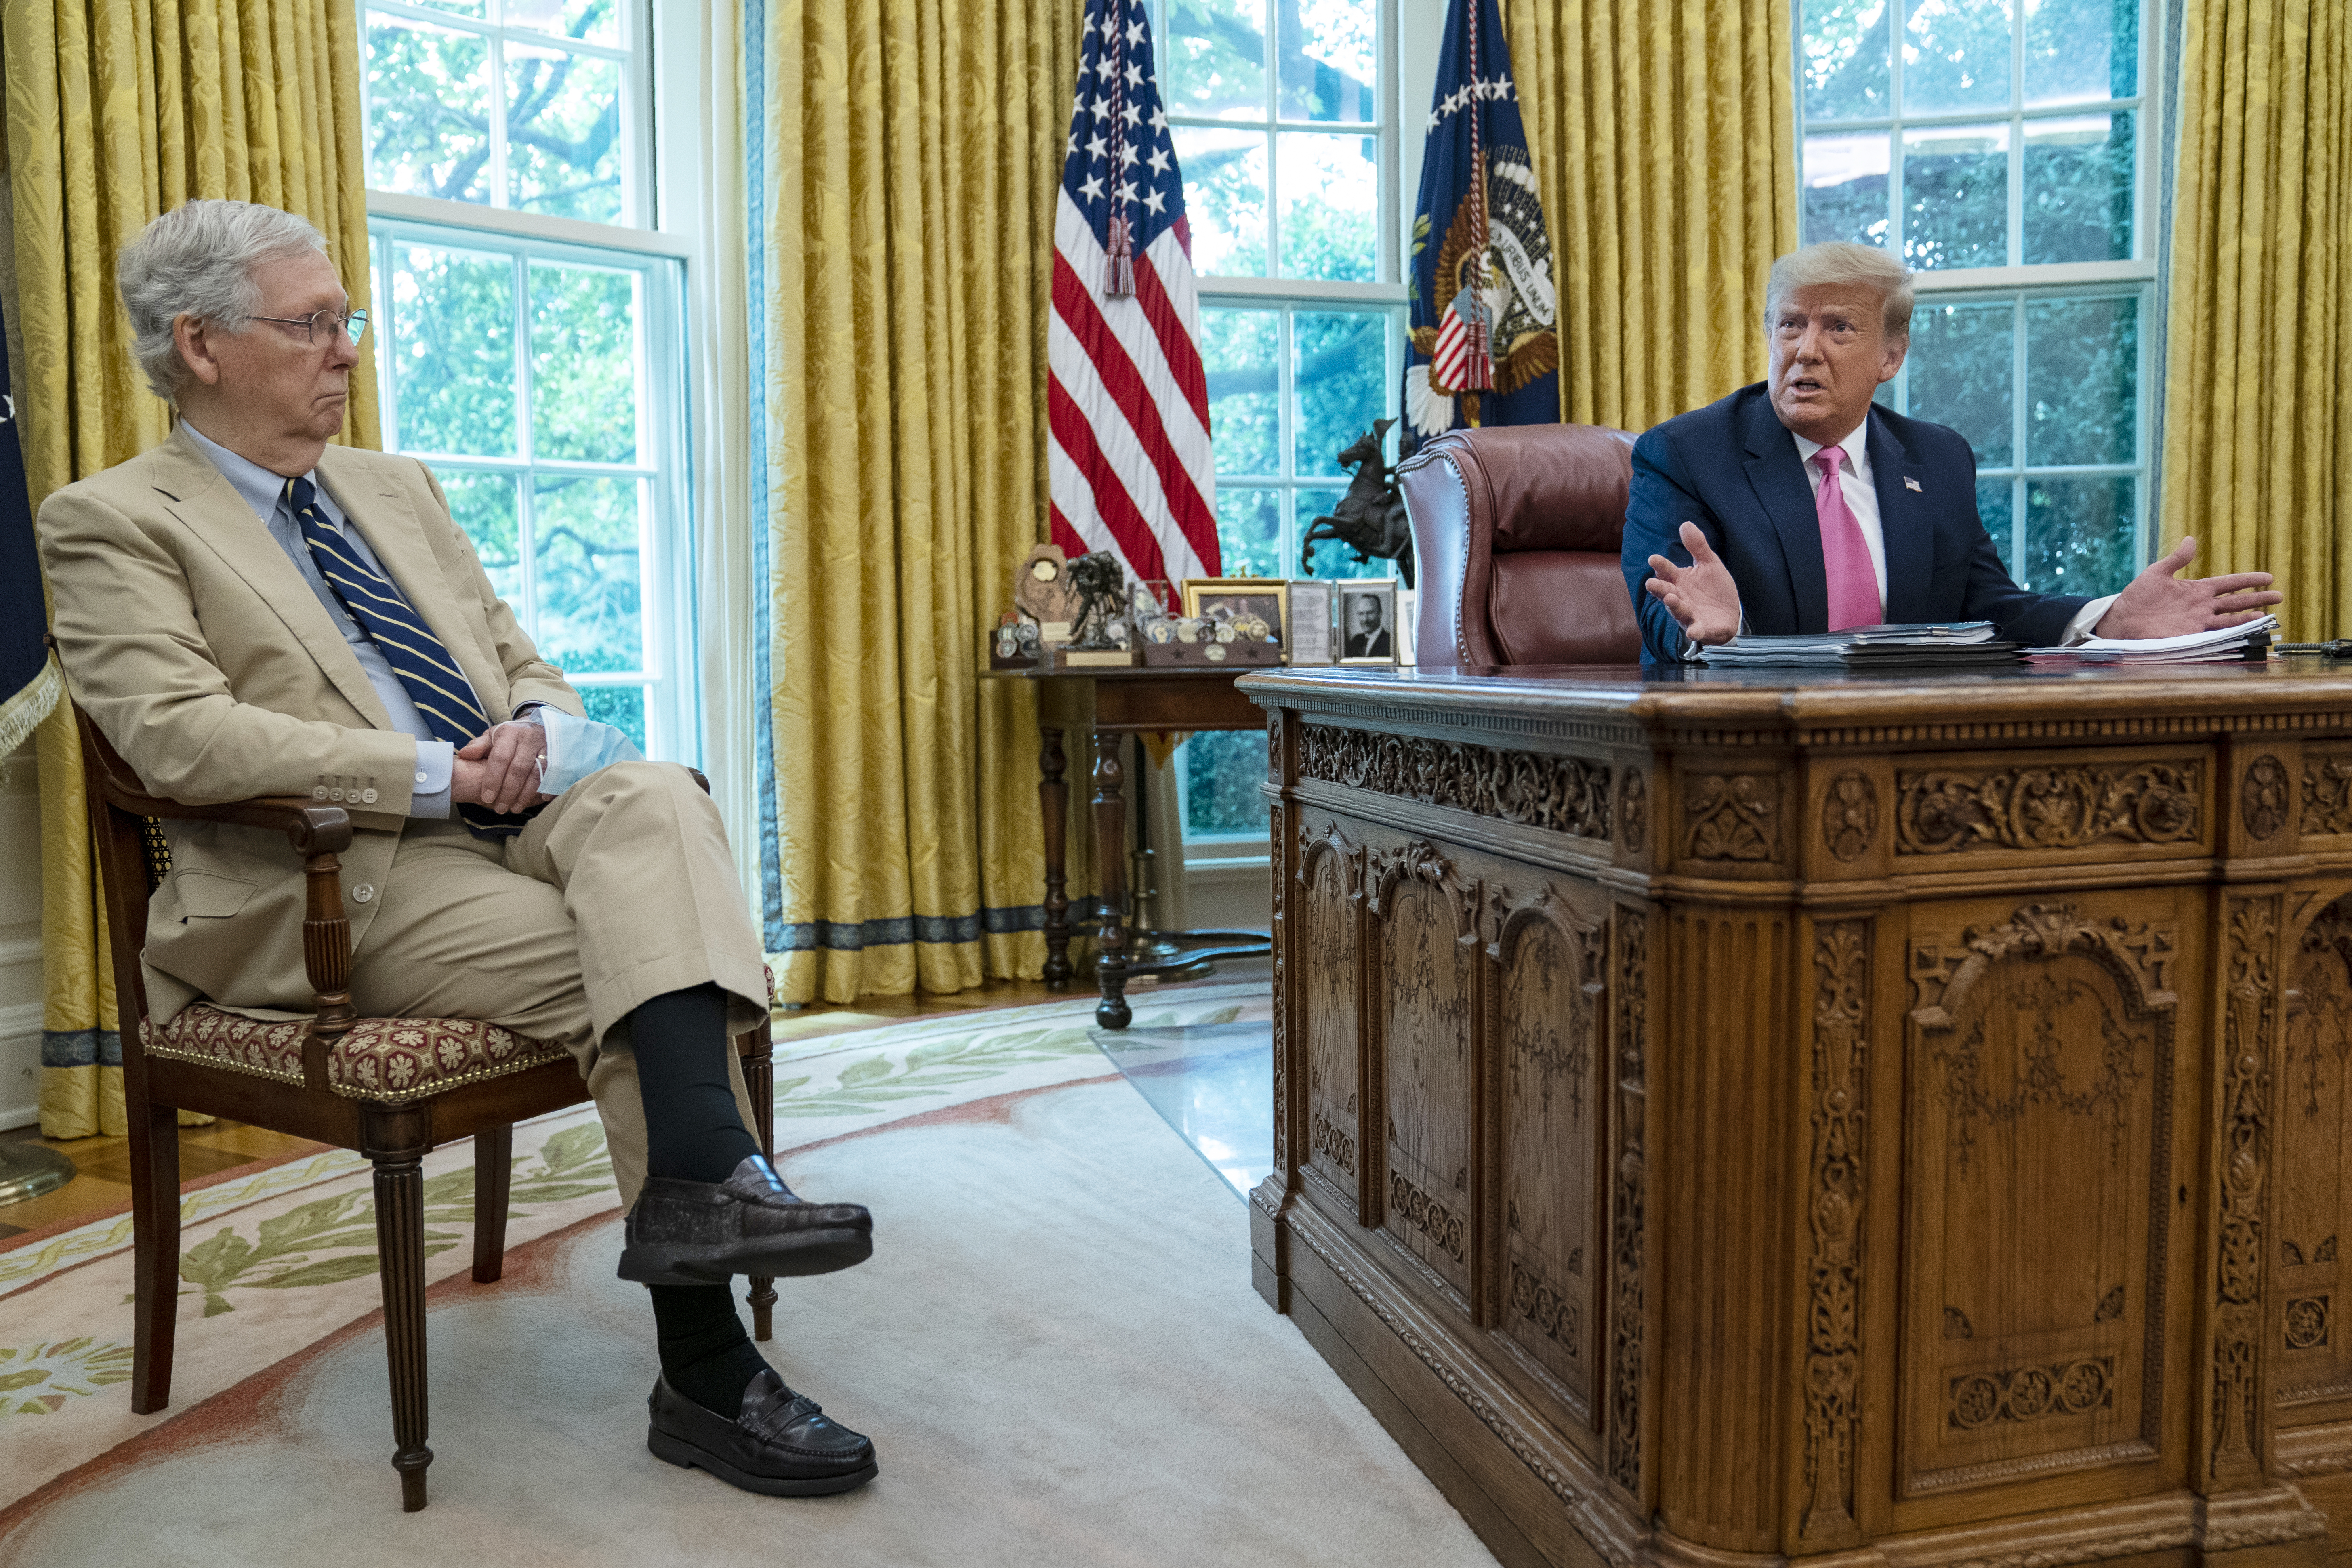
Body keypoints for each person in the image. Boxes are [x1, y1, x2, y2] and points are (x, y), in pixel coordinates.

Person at [40, 200, 876, 1497]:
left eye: (346, 320)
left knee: (655, 793)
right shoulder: (112, 519)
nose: (346, 349)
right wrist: (439, 772)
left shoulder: (392, 486)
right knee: (656, 973)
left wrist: (539, 725)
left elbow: (515, 656)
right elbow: (180, 744)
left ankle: (705, 1187)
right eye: (313, 323)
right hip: (332, 880)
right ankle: (709, 1364)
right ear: (199, 345)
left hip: (517, 821)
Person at [1621, 241, 2281, 665]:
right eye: (1790, 323)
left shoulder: (1935, 459)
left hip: (1908, 749)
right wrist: (1706, 630)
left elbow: (1987, 606)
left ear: (1890, 355)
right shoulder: (1684, 454)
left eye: (1838, 327)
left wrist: (2106, 616)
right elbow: (1667, 606)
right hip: (1741, 755)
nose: (1805, 349)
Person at [1345, 593, 1391, 658]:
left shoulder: (1390, 642)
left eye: (1370, 613)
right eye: (1361, 614)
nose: (1365, 619)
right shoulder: (1356, 641)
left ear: (1380, 614)